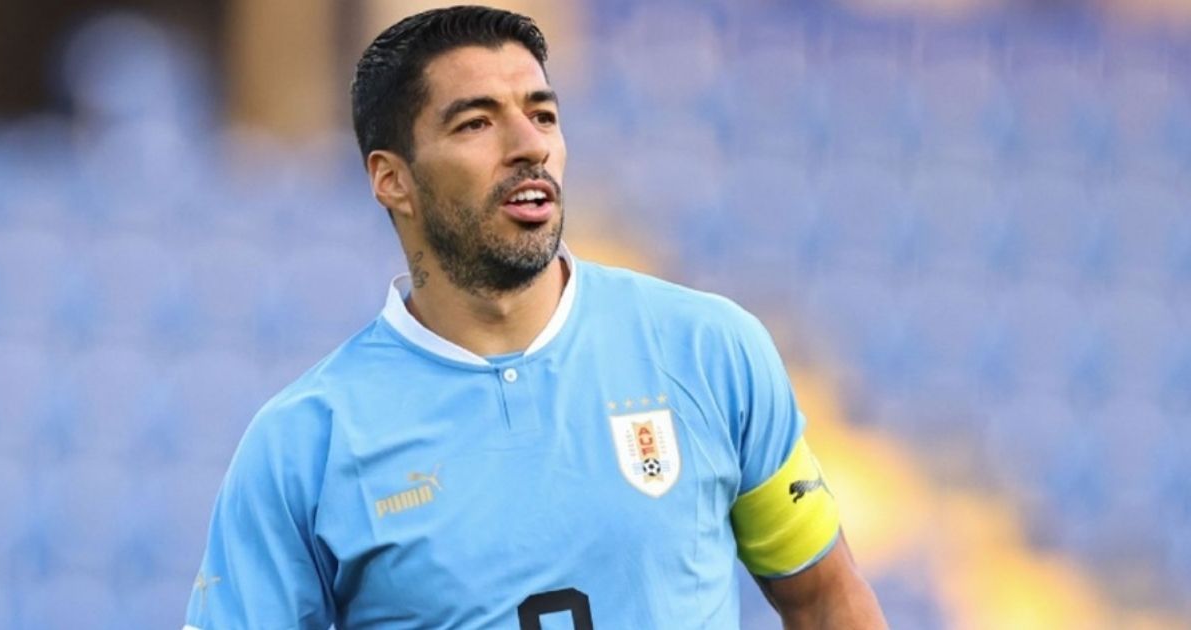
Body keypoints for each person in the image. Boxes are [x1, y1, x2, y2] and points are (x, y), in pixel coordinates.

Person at [185, 5, 886, 629]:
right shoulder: (305, 443)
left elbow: (825, 600)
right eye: (477, 122)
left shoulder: (709, 350)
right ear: (391, 179)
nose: (529, 145)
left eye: (543, 115)